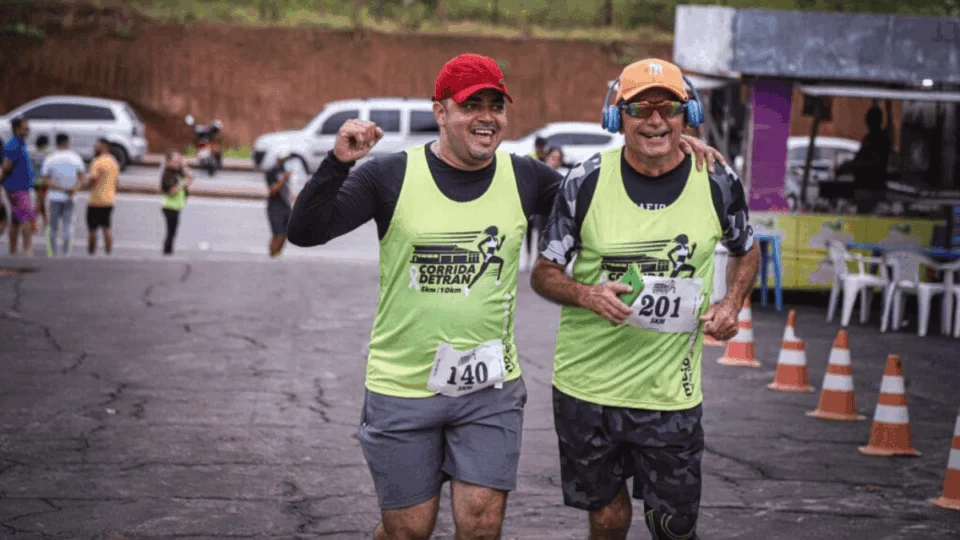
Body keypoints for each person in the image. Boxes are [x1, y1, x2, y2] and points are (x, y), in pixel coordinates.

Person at [286, 52, 724, 540]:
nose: (487, 117)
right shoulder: (389, 175)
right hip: (402, 385)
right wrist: (338, 162)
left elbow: (605, 196)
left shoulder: (524, 177)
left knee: (481, 523)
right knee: (408, 530)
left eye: (496, 106)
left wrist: (662, 144)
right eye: (472, 105)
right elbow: (305, 231)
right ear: (441, 111)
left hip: (488, 388)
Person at [531, 58, 759, 540]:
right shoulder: (585, 181)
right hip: (587, 388)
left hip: (669, 395)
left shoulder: (717, 180)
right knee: (608, 518)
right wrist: (586, 294)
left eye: (669, 107)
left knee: (674, 527)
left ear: (686, 114)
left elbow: (746, 249)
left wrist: (732, 301)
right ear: (617, 118)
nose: (655, 120)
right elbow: (544, 274)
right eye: (640, 108)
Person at [837, 105, 891, 213]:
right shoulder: (870, 137)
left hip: (871, 187)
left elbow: (873, 162)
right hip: (864, 186)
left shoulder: (878, 139)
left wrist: (852, 165)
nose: (867, 122)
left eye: (870, 119)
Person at [40, 133, 85, 256]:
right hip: (70, 197)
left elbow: (45, 179)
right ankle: (66, 253)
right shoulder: (76, 158)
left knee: (53, 227)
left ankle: (53, 253)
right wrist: (74, 189)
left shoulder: (51, 158)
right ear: (68, 142)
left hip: (54, 197)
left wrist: (60, 188)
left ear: (57, 143)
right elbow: (82, 178)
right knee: (67, 225)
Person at [1, 117, 38, 255]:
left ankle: (12, 251)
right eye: (25, 127)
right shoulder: (13, 145)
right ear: (17, 129)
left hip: (21, 187)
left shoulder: (20, 143)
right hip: (17, 188)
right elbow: (6, 167)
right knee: (27, 218)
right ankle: (28, 250)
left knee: (16, 220)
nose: (28, 130)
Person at [83, 138, 120, 255]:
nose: (94, 147)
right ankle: (108, 252)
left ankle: (91, 253)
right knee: (107, 227)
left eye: (97, 145)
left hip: (96, 200)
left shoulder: (97, 161)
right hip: (109, 200)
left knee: (92, 229)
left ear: (104, 147)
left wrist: (86, 184)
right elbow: (116, 182)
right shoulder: (113, 161)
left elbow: (93, 179)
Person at [160, 152, 194, 255]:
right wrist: (183, 184)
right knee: (171, 231)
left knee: (173, 231)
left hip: (177, 207)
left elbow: (190, 178)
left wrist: (184, 165)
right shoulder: (167, 174)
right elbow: (171, 191)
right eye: (175, 161)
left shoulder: (177, 172)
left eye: (178, 161)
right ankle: (167, 251)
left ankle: (168, 250)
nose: (177, 163)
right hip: (170, 207)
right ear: (168, 162)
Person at [265, 151, 294, 258]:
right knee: (278, 234)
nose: (284, 161)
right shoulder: (271, 172)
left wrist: (291, 196)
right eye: (282, 159)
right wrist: (283, 179)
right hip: (275, 206)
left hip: (285, 205)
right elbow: (273, 190)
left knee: (286, 233)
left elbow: (286, 188)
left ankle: (277, 255)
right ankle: (272, 256)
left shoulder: (284, 170)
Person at [33, 134, 51, 233]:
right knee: (39, 202)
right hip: (43, 182)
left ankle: (46, 220)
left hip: (35, 181)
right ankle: (33, 222)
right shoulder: (47, 154)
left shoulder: (35, 154)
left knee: (40, 200)